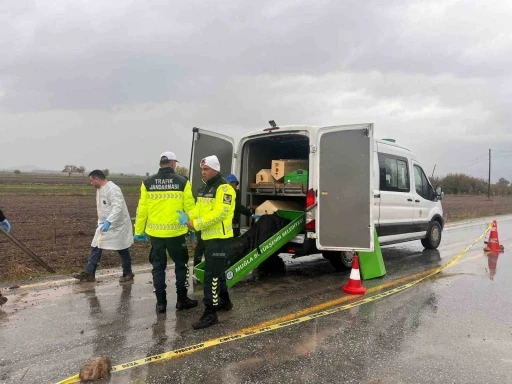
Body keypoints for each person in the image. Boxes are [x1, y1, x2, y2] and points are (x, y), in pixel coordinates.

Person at [134, 151, 197, 313]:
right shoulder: (183, 181)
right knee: (181, 266)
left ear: (160, 163)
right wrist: (193, 227)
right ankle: (182, 300)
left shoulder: (147, 182)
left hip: (155, 235)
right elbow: (190, 208)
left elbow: (142, 209)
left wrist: (139, 230)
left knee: (158, 268)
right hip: (176, 234)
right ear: (173, 164)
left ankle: (161, 304)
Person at [180, 155, 236, 330]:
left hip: (220, 239)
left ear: (215, 170)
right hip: (207, 237)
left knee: (211, 275)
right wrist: (188, 217)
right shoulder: (205, 188)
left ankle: (210, 313)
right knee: (218, 272)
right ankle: (225, 301)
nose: (203, 173)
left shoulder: (225, 189)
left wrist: (196, 224)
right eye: (202, 170)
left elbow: (220, 213)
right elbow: (199, 208)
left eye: (206, 169)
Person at [73, 170, 134, 283]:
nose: (91, 183)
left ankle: (128, 272)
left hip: (118, 225)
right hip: (104, 224)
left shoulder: (112, 189)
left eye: (91, 180)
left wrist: (109, 221)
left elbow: (117, 207)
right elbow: (103, 208)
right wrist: (101, 221)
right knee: (96, 245)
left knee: (122, 248)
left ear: (97, 179)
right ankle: (89, 273)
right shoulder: (100, 189)